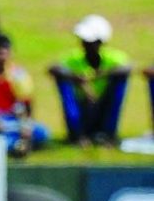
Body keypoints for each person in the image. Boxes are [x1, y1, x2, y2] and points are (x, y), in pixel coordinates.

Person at [49, 14, 131, 146]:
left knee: (120, 80)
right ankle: (77, 134)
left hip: (104, 107)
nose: (85, 45)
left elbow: (127, 68)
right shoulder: (74, 58)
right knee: (62, 80)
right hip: (82, 108)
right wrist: (77, 80)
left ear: (100, 42)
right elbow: (54, 68)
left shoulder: (112, 58)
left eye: (89, 42)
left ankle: (108, 133)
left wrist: (101, 74)